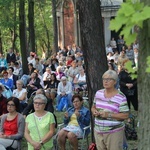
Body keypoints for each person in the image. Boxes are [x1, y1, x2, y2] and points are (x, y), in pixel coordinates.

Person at [91, 70, 129, 150]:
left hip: (114, 132)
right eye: (104, 79)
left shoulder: (121, 97)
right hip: (98, 131)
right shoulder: (98, 93)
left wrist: (109, 115)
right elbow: (93, 107)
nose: (105, 81)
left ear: (115, 82)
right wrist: (94, 111)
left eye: (109, 79)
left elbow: (125, 115)